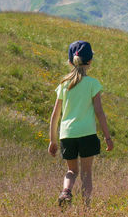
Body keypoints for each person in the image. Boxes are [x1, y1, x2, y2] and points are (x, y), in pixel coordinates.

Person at [48, 40, 114, 207]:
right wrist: (107, 137)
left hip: (67, 134)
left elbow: (55, 115)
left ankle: (66, 191)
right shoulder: (93, 84)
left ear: (70, 61)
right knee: (86, 173)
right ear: (90, 61)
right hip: (87, 133)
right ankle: (86, 207)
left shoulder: (63, 85)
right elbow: (99, 112)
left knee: (71, 171)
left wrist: (53, 140)